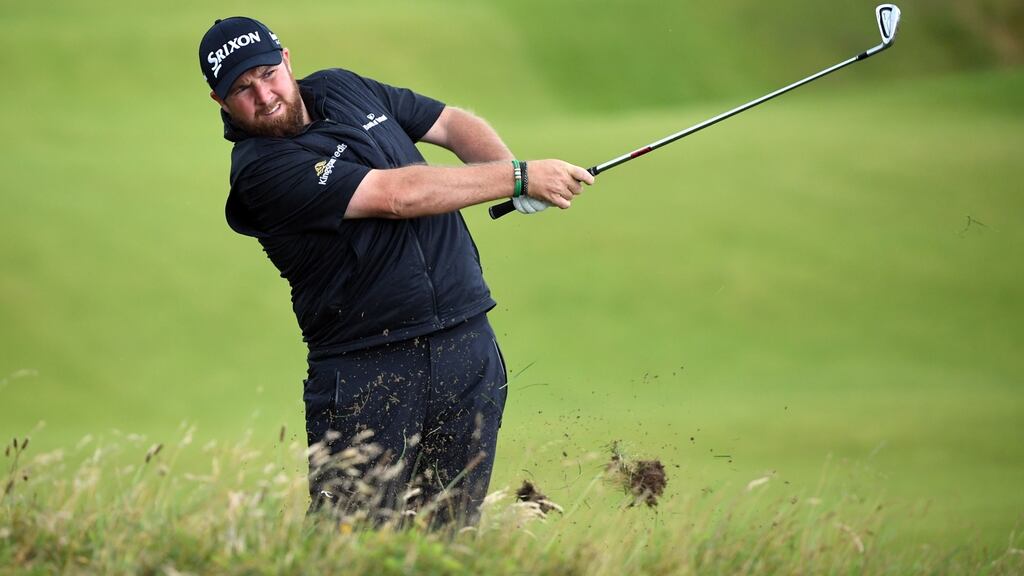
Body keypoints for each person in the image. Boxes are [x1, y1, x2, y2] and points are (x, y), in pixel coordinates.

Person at [198, 17, 594, 526]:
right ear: (220, 102)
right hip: (367, 370)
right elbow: (397, 196)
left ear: (287, 60)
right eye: (242, 88)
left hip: (465, 345)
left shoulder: (342, 87)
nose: (265, 95)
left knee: (448, 535)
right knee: (353, 543)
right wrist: (518, 176)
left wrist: (513, 178)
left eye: (269, 74)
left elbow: (451, 123)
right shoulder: (259, 173)